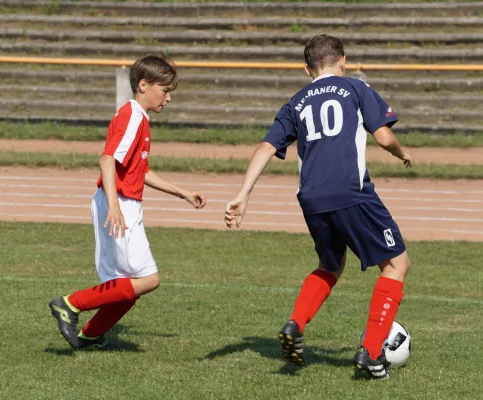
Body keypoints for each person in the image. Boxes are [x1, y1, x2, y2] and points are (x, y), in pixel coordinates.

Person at [224, 34, 412, 379]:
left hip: (310, 197)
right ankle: (372, 353)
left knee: (330, 264)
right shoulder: (355, 87)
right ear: (343, 60)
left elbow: (266, 147)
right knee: (397, 264)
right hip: (351, 192)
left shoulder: (295, 102)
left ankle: (295, 324)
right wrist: (403, 153)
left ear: (307, 68)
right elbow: (384, 137)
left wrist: (243, 194)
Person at [49, 54, 207, 350]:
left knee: (126, 287)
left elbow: (140, 170)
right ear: (144, 85)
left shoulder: (139, 118)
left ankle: (90, 335)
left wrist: (182, 192)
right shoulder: (133, 116)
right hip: (119, 203)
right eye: (165, 90)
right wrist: (114, 206)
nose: (169, 98)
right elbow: (107, 159)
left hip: (119, 201)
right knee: (148, 279)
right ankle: (69, 304)